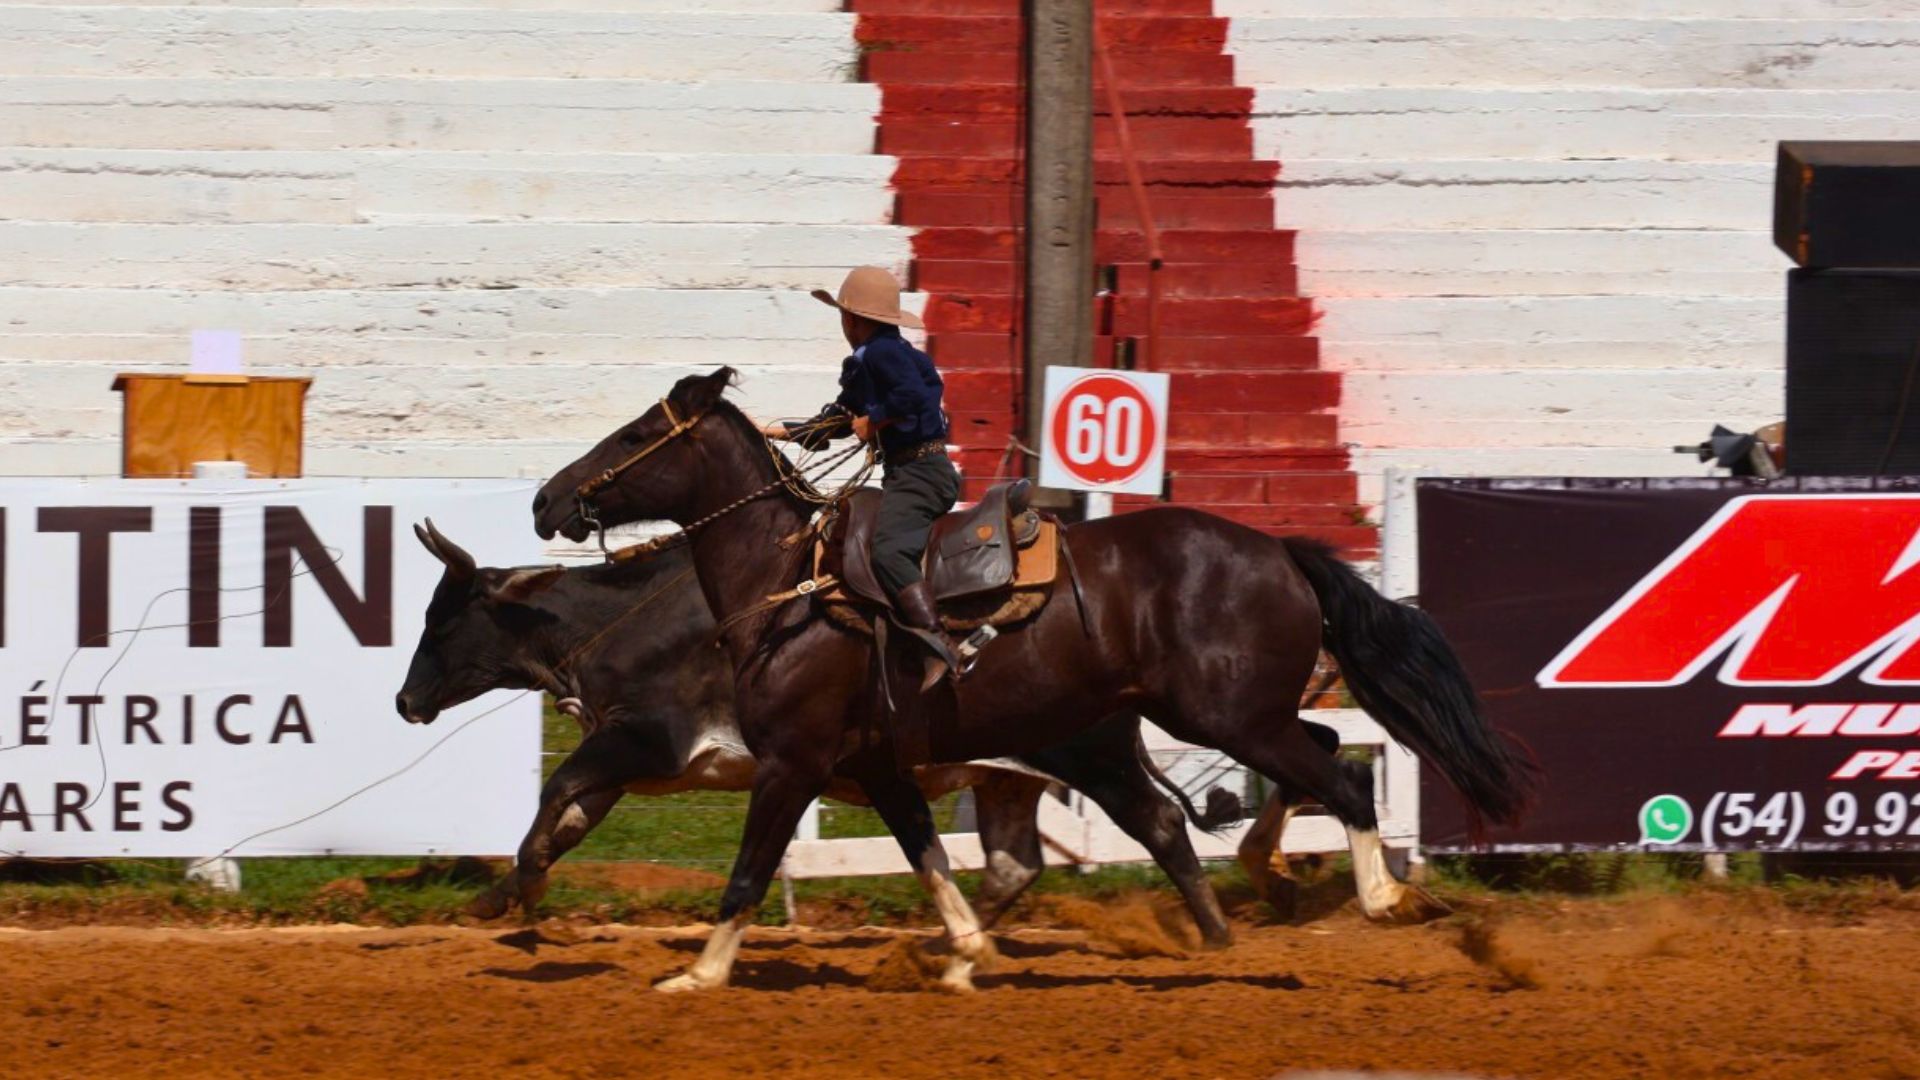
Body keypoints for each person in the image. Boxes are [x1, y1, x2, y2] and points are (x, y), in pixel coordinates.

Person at [760, 266, 960, 685]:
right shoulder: (877, 358)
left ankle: (938, 643)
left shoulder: (883, 353)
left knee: (888, 552)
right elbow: (836, 420)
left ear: (850, 318)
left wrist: (876, 420)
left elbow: (912, 396)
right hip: (909, 472)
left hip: (921, 474)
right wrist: (773, 432)